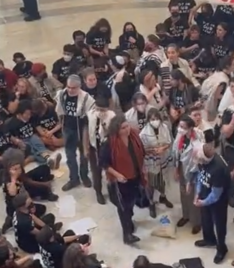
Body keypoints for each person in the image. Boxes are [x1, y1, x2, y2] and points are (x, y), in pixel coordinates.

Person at [100, 113, 148, 244]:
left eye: (127, 126)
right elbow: (104, 163)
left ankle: (129, 221)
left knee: (131, 202)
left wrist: (143, 169)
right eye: (123, 128)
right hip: (120, 181)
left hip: (135, 176)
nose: (127, 130)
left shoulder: (134, 136)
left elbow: (142, 153)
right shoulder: (109, 143)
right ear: (116, 130)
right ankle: (127, 235)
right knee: (123, 206)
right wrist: (117, 174)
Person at [56, 74, 95, 192]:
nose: (70, 90)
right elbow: (59, 111)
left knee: (84, 155)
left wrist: (85, 141)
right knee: (70, 156)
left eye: (74, 88)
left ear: (79, 87)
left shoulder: (87, 99)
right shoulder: (62, 94)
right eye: (68, 87)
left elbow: (88, 122)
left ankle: (84, 176)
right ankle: (74, 179)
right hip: (68, 129)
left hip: (82, 129)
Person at [194, 142, 230, 263]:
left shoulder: (218, 168)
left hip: (218, 201)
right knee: (205, 219)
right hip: (205, 194)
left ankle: (221, 248)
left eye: (199, 159)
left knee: (219, 224)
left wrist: (203, 202)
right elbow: (200, 176)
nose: (197, 161)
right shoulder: (203, 161)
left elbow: (216, 194)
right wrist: (198, 193)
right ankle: (209, 239)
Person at [140, 108, 174, 216]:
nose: (155, 121)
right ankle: (151, 203)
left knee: (162, 179)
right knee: (151, 183)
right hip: (151, 161)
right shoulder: (144, 133)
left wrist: (163, 148)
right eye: (152, 119)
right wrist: (153, 151)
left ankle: (163, 197)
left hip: (163, 158)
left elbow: (169, 142)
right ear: (149, 120)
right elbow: (142, 149)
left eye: (157, 118)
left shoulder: (164, 128)